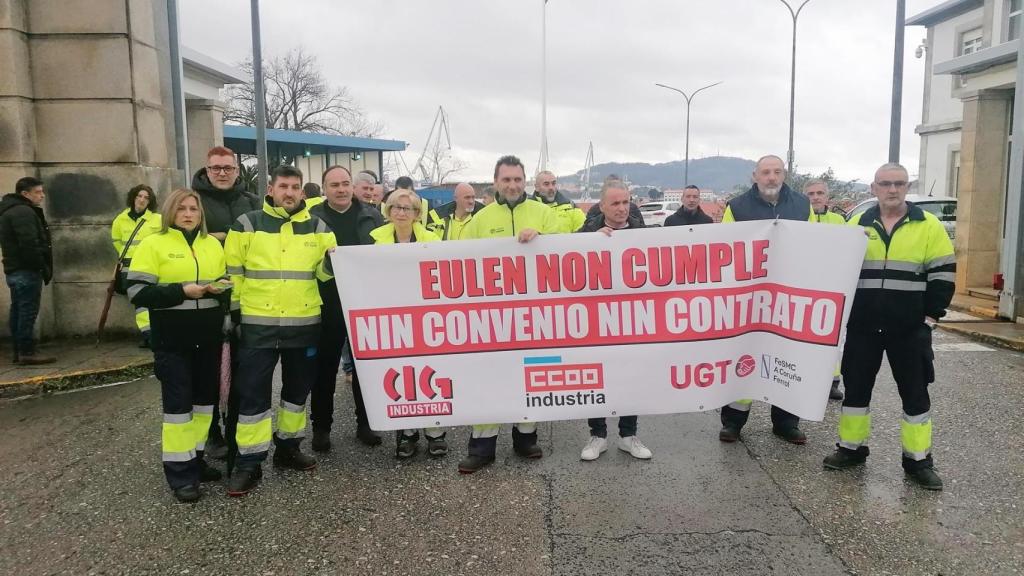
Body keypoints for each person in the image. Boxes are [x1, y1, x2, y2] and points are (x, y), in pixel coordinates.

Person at [823, 163, 955, 491]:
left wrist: (930, 320)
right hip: (863, 327)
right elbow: (836, 269)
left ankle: (918, 461)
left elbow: (944, 274)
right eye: (885, 184)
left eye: (898, 183)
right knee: (856, 391)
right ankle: (851, 449)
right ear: (874, 188)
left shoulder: (929, 226)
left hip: (909, 330)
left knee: (915, 395)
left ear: (906, 186)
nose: (892, 189)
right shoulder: (857, 224)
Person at [223, 165, 337, 496]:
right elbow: (234, 275)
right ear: (270, 190)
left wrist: (332, 262)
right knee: (253, 397)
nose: (289, 192)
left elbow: (326, 275)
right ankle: (249, 463)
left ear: (303, 192)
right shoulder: (247, 225)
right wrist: (235, 318)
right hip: (258, 326)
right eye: (283, 186)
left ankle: (289, 448)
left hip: (303, 325)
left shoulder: (318, 227)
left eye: (295, 187)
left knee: (296, 394)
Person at [457, 155, 561, 474]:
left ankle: (526, 438)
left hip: (534, 314)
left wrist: (543, 241)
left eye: (518, 179)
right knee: (489, 376)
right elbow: (460, 260)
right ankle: (482, 446)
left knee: (529, 375)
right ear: (496, 182)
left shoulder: (545, 214)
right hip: (492, 315)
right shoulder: (480, 219)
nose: (513, 185)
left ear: (525, 181)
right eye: (507, 180)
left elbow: (568, 253)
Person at [126, 188, 229, 502]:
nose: (188, 214)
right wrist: (184, 291)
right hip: (172, 339)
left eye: (193, 209)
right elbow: (137, 292)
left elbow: (225, 285)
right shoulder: (153, 244)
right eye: (182, 208)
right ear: (170, 212)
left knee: (203, 406)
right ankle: (181, 476)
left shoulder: (211, 244)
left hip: (208, 338)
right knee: (178, 409)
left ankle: (195, 459)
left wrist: (219, 289)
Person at [719, 155, 813, 445]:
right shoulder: (736, 207)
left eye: (777, 172)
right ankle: (733, 422)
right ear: (754, 176)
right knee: (744, 355)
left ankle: (786, 423)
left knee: (786, 357)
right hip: (749, 296)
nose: (771, 177)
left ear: (784, 174)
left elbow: (813, 244)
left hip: (789, 294)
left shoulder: (802, 205)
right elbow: (725, 249)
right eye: (766, 172)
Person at [190, 146, 261, 458]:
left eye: (227, 168)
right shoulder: (194, 202)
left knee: (239, 372)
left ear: (236, 170)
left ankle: (232, 429)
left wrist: (220, 237)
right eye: (215, 168)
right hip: (207, 299)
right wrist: (226, 238)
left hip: (245, 298)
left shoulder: (252, 203)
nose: (221, 173)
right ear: (206, 170)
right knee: (206, 373)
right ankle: (210, 434)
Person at [308, 165, 384, 452]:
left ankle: (365, 423)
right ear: (324, 189)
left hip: (363, 301)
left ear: (353, 186)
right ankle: (321, 427)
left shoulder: (372, 215)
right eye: (334, 185)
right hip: (327, 301)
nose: (340, 189)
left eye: (345, 183)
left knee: (365, 367)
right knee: (324, 367)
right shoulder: (313, 218)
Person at [576, 180, 653, 461]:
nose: (622, 208)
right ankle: (597, 435)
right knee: (596, 375)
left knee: (630, 375)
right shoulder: (585, 233)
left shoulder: (643, 234)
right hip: (596, 319)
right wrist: (590, 241)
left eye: (626, 202)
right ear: (602, 206)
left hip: (631, 319)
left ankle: (628, 435)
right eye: (616, 203)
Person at [369, 189, 448, 458]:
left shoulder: (433, 240)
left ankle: (436, 433)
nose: (402, 212)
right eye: (396, 207)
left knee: (430, 374)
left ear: (417, 214)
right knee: (401, 376)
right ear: (388, 211)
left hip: (426, 317)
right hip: (392, 316)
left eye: (408, 208)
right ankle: (407, 434)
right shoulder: (373, 241)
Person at [0, 177, 54, 365]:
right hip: (26, 270)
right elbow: (29, 243)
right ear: (25, 194)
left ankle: (20, 350)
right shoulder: (23, 212)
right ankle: (26, 351)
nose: (42, 195)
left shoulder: (10, 210)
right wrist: (40, 265)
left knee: (18, 309)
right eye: (38, 192)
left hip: (15, 269)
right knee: (27, 311)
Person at [804, 179, 846, 401]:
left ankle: (832, 382)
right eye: (811, 193)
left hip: (832, 286)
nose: (816, 197)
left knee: (834, 338)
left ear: (827, 196)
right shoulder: (799, 219)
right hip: (806, 286)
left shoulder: (839, 221)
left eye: (820, 193)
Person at [111, 184, 163, 347]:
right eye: (139, 196)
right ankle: (148, 334)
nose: (142, 200)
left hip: (151, 265)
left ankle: (154, 333)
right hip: (129, 266)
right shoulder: (120, 219)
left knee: (153, 300)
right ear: (133, 197)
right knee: (139, 301)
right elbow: (116, 241)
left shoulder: (157, 219)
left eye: (146, 197)